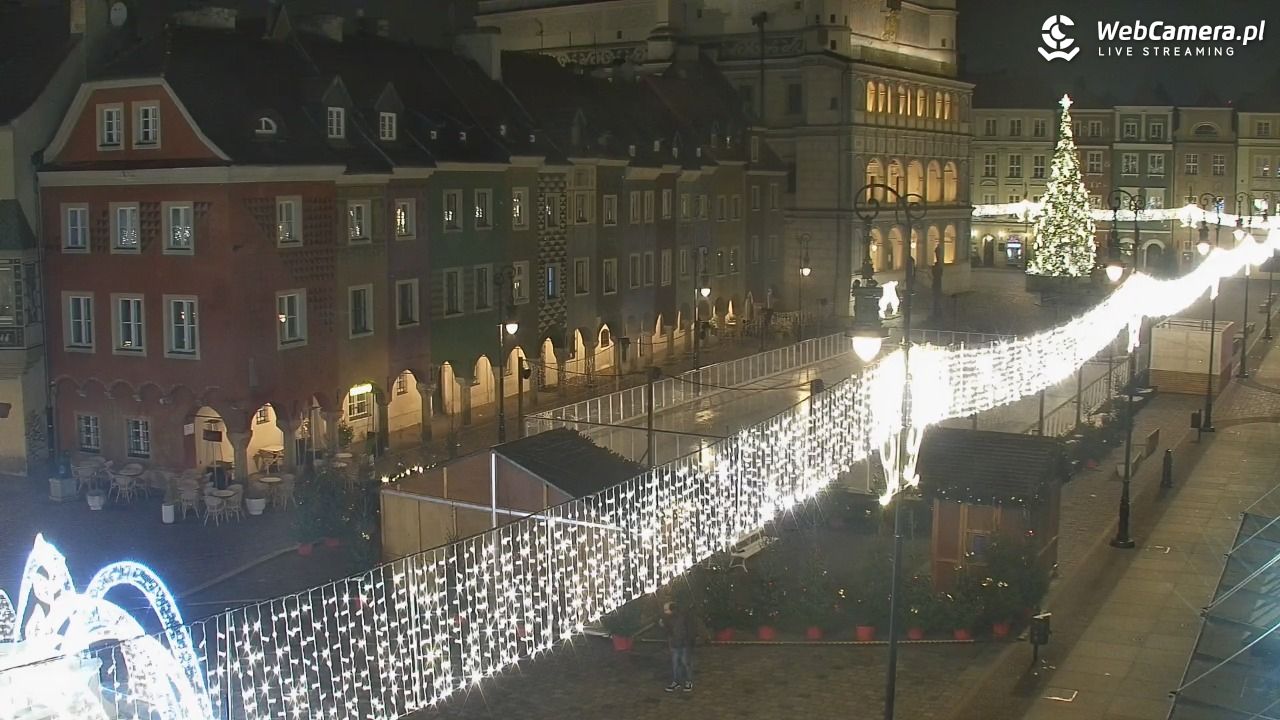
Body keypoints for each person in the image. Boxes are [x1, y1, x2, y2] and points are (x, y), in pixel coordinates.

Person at [662, 601, 695, 693]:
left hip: (684, 643)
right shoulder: (667, 619)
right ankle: (677, 681)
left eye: (666, 610)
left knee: (685, 663)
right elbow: (668, 632)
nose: (664, 611)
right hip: (675, 644)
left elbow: (689, 629)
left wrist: (689, 641)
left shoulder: (683, 617)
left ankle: (688, 681)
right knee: (676, 664)